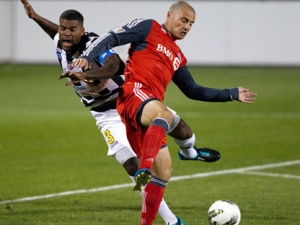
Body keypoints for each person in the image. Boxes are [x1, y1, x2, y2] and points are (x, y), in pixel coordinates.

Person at [21, 1, 222, 224]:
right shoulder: (61, 41)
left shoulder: (91, 43)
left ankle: (190, 152)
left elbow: (114, 65)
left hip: (129, 99)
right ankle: (172, 220)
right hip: (104, 115)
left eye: (72, 30)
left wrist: (88, 76)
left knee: (183, 131)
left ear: (82, 31)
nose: (66, 34)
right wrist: (35, 16)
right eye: (63, 29)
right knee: (134, 169)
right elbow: (55, 32)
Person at [66, 1, 257, 224]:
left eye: (191, 24)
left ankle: (150, 213)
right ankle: (144, 168)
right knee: (164, 115)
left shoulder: (177, 56)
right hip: (133, 94)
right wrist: (87, 57)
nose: (187, 27)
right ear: (170, 15)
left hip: (149, 107)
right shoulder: (149, 27)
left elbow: (193, 90)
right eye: (184, 20)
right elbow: (112, 37)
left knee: (165, 171)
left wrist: (231, 93)